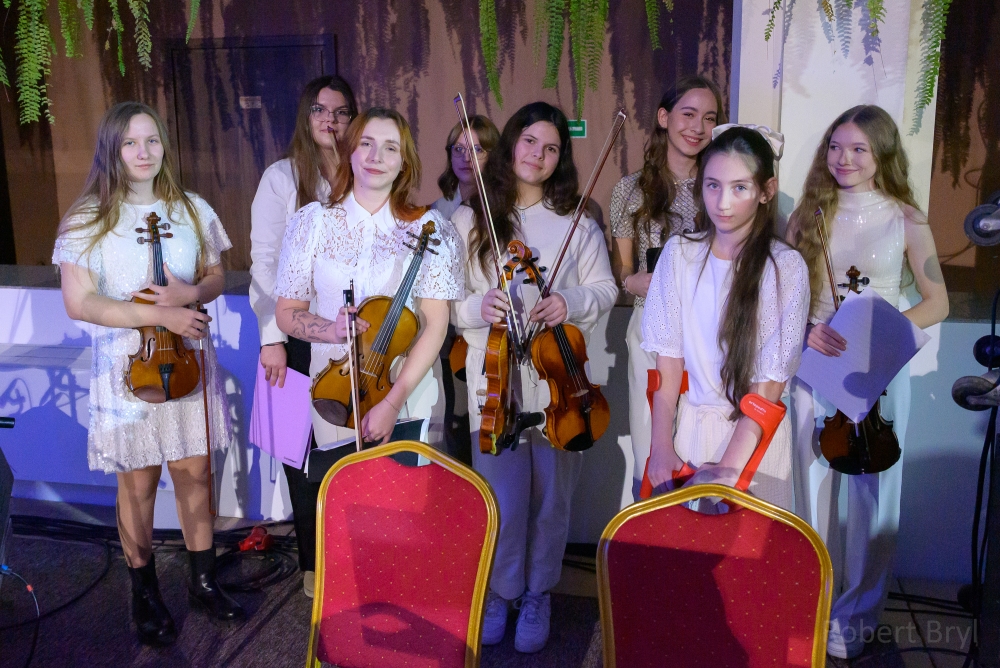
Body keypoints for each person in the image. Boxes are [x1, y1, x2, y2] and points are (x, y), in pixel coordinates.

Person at [53, 102, 243, 646]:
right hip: (127, 369)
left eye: (152, 140)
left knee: (195, 474)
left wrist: (193, 292)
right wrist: (159, 314)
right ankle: (144, 592)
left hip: (185, 361)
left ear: (164, 146)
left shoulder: (192, 209)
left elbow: (215, 275)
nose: (143, 152)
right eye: (130, 143)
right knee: (137, 485)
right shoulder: (87, 219)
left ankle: (203, 581)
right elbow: (80, 302)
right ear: (111, 150)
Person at [451, 101, 617, 653]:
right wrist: (479, 307)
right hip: (494, 377)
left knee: (550, 497)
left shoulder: (578, 224)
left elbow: (606, 289)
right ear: (511, 144)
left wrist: (569, 300)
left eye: (551, 148)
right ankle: (501, 591)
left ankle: (538, 592)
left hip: (556, 381)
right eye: (529, 142)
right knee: (500, 496)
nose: (538, 155)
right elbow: (449, 303)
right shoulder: (471, 219)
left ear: (560, 158)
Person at [786, 105, 949, 661]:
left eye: (858, 148)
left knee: (873, 494)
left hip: (879, 369)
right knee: (811, 485)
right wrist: (806, 329)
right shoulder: (808, 214)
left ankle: (856, 613)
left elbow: (937, 302)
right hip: (817, 365)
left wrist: (881, 336)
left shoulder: (907, 219)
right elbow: (785, 294)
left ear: (881, 154)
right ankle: (812, 602)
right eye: (835, 146)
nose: (844, 158)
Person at [274, 103, 463, 470]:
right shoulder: (311, 222)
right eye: (366, 144)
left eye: (390, 147)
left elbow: (435, 326)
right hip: (334, 389)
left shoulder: (432, 228)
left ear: (404, 162)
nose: (376, 156)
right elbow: (286, 312)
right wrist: (330, 330)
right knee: (345, 499)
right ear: (350, 152)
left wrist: (392, 402)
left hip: (408, 390)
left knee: (405, 501)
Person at [643, 125, 809, 513]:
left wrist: (728, 469)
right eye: (713, 186)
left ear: (766, 191)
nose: (723, 202)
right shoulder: (679, 254)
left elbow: (770, 383)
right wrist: (661, 446)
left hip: (754, 440)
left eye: (740, 188)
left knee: (748, 550)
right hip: (690, 432)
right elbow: (667, 368)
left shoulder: (784, 266)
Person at [248, 74, 357, 598]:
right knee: (299, 451)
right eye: (320, 110)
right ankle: (314, 565)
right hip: (292, 333)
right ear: (305, 116)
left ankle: (353, 556)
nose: (329, 120)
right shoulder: (281, 177)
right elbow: (265, 262)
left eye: (340, 112)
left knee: (349, 446)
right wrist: (271, 336)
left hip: (350, 335)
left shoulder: (363, 173)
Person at [609, 75, 724, 501]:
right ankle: (653, 532)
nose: (698, 127)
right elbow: (622, 269)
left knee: (703, 450)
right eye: (688, 114)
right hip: (651, 331)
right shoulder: (630, 189)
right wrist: (632, 280)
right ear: (664, 117)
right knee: (652, 452)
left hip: (710, 331)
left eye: (709, 118)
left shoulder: (721, 187)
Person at [432, 115, 500, 220]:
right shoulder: (438, 210)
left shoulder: (504, 207)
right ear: (450, 156)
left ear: (493, 156)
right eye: (459, 149)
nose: (466, 158)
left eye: (477, 150)